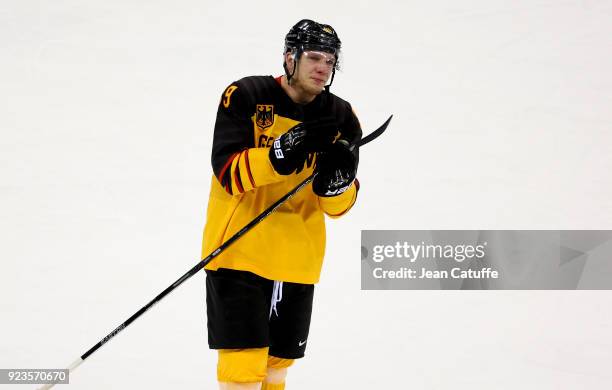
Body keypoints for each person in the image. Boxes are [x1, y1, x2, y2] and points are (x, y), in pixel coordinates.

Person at [202, 19, 362, 390]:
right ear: (290, 57)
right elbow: (227, 171)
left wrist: (337, 187)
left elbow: (336, 207)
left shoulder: (342, 116)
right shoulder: (245, 94)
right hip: (239, 253)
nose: (324, 67)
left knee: (277, 368)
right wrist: (278, 153)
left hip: (297, 260)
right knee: (242, 369)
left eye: (331, 60)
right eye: (315, 57)